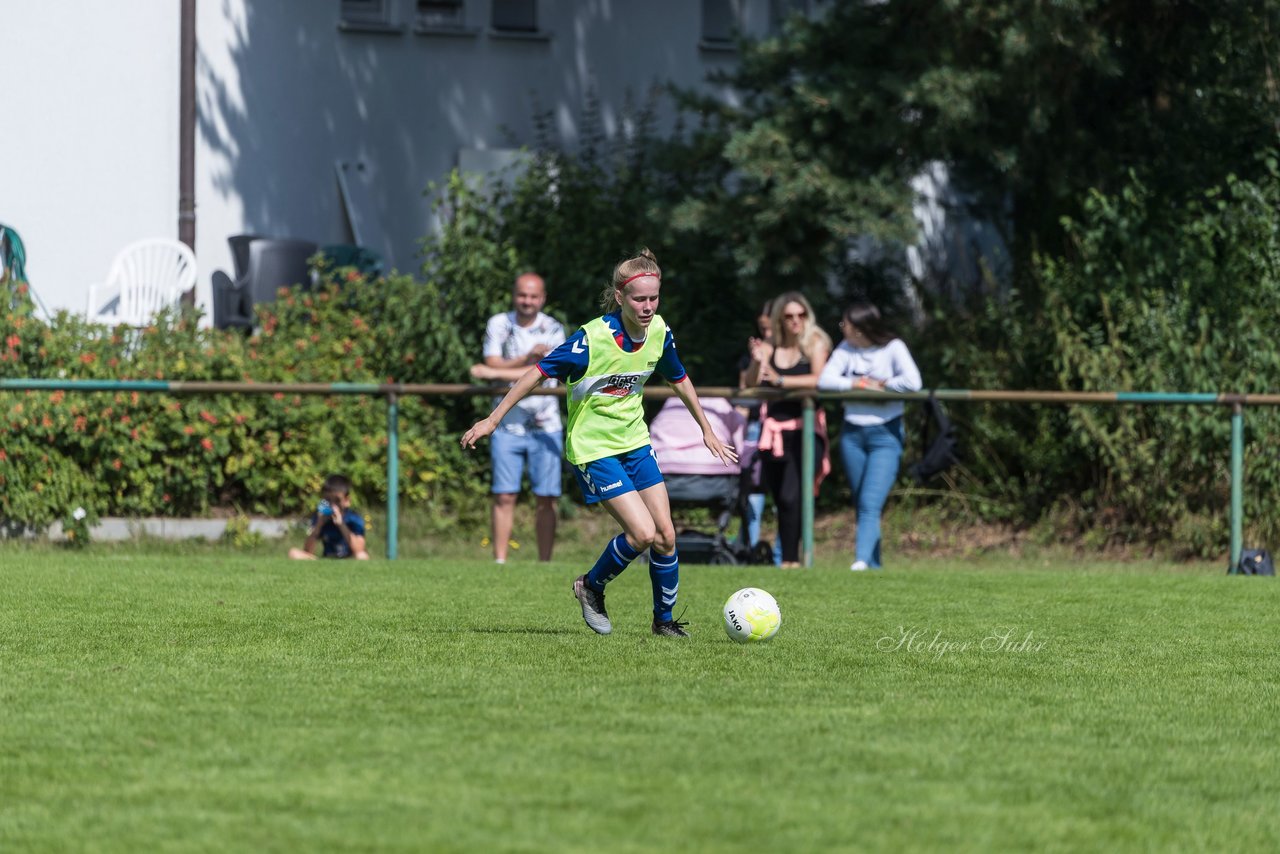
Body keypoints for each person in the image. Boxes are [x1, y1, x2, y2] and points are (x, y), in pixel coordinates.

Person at [461, 248, 737, 637]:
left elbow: (679, 378)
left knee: (666, 535)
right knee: (642, 534)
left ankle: (663, 622)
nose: (647, 306)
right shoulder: (591, 339)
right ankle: (590, 586)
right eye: (639, 299)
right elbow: (535, 374)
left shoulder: (659, 332)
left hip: (635, 443)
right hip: (594, 449)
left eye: (653, 298)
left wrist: (706, 429)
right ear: (620, 297)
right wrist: (493, 419)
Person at [468, 272, 566, 564]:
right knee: (504, 494)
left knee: (547, 497)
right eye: (523, 295)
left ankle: (544, 563)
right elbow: (494, 362)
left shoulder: (554, 328)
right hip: (505, 423)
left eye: (533, 296)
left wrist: (495, 372)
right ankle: (500, 562)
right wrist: (526, 361)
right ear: (514, 295)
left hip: (546, 424)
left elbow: (550, 373)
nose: (527, 301)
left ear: (543, 298)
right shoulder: (499, 323)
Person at [818, 301, 922, 571]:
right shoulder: (846, 349)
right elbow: (825, 381)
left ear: (862, 328)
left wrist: (884, 385)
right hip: (853, 433)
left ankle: (861, 561)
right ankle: (874, 566)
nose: (842, 328)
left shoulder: (893, 348)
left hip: (885, 434)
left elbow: (913, 382)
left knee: (869, 502)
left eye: (846, 324)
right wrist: (857, 383)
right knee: (862, 501)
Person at [742, 291, 832, 567]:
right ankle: (789, 559)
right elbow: (750, 383)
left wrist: (780, 380)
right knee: (780, 498)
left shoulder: (815, 343)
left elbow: (819, 379)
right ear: (780, 318)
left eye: (800, 315)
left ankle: (792, 560)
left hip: (804, 432)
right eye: (789, 316)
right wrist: (758, 360)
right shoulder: (771, 345)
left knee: (795, 496)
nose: (795, 321)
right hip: (773, 434)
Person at [736, 301, 773, 553]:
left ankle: (786, 554)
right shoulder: (753, 352)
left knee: (786, 490)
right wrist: (757, 360)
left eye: (770, 327)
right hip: (754, 425)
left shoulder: (795, 350)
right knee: (752, 484)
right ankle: (749, 543)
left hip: (784, 424)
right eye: (762, 327)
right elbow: (747, 388)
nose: (766, 332)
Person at [287, 473, 370, 560]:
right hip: (327, 559)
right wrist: (319, 525)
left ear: (347, 501)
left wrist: (341, 525)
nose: (332, 505)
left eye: (337, 500)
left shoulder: (354, 519)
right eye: (328, 500)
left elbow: (359, 550)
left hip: (348, 560)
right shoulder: (320, 517)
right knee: (293, 553)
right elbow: (307, 551)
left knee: (362, 556)